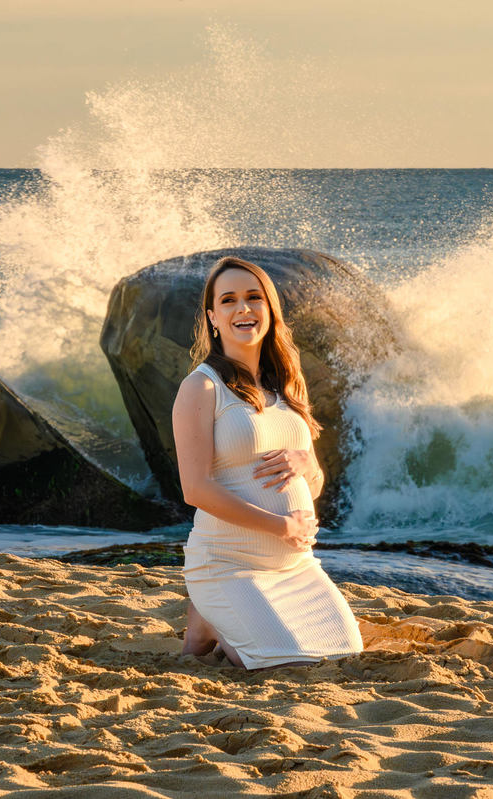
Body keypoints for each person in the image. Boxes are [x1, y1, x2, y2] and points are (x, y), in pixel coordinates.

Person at [172, 256, 364, 669]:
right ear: (213, 317)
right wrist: (281, 526)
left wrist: (306, 463)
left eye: (253, 297)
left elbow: (314, 483)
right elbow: (196, 489)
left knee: (345, 656)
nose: (243, 308)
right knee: (289, 665)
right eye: (229, 300)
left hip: (297, 567)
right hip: (229, 564)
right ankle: (211, 615)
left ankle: (208, 618)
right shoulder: (202, 387)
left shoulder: (288, 385)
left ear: (270, 308)